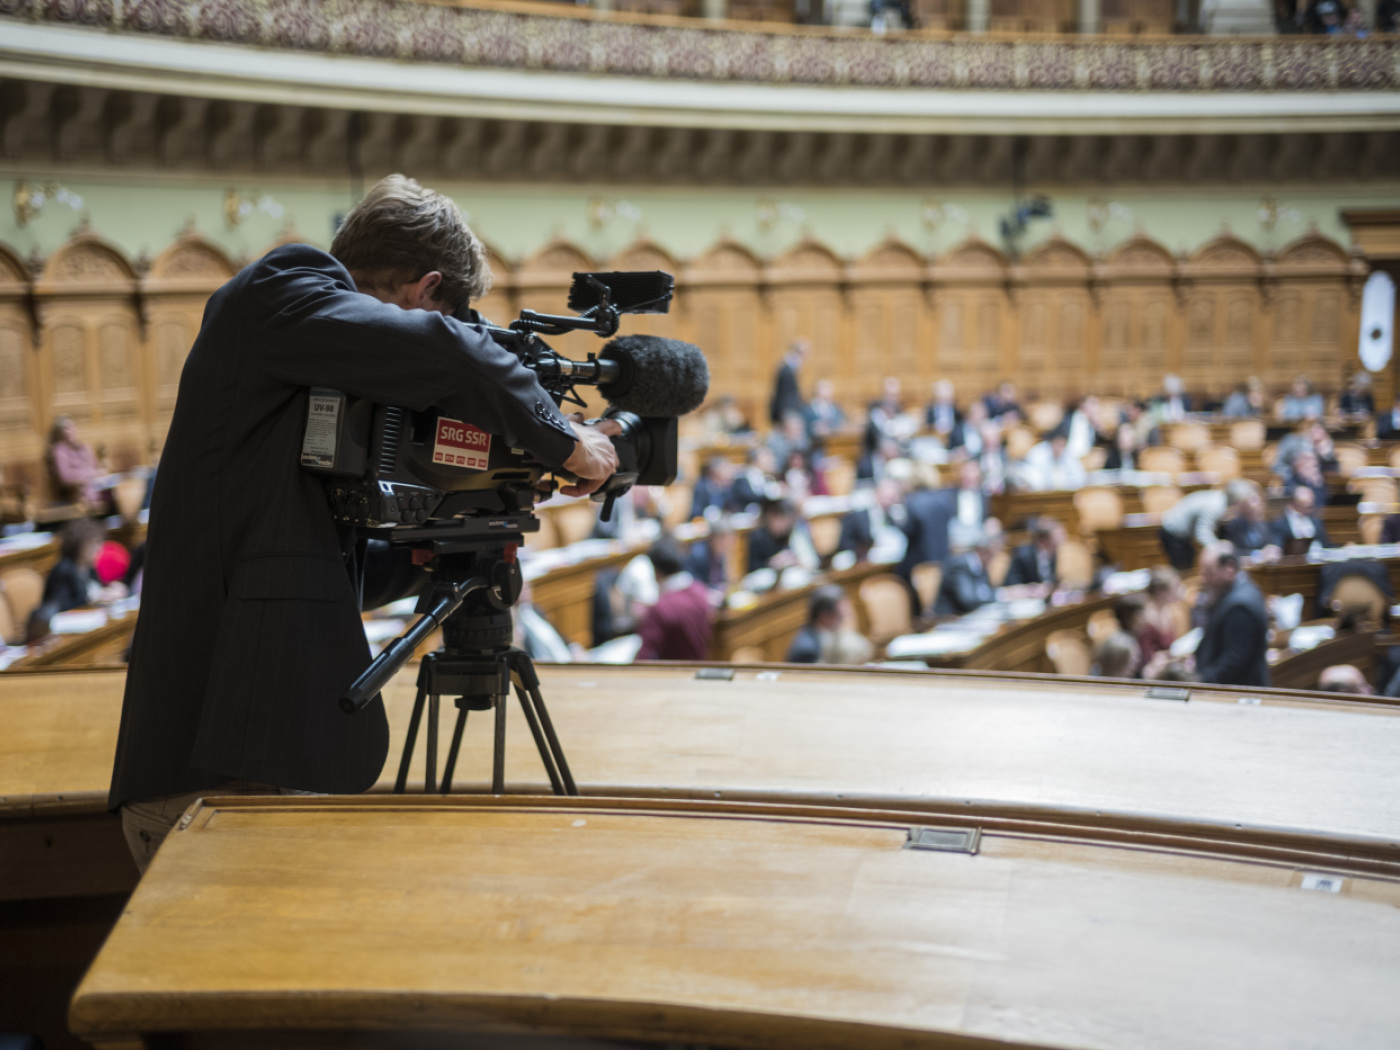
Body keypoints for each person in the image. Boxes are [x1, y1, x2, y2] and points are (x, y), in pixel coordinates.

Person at [109, 175, 623, 872]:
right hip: (213, 764)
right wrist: (569, 442)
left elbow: (309, 564)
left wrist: (431, 557)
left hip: (249, 752)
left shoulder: (304, 370)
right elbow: (450, 351)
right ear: (424, 288)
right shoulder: (283, 287)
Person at [1191, 542, 1270, 688]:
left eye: (1209, 572)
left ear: (1229, 568)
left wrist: (1200, 681)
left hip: (1238, 693)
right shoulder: (1242, 589)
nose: (1204, 579)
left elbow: (1234, 661)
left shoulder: (1239, 607)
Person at [636, 539, 713, 661]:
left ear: (656, 571)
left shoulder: (660, 609)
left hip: (671, 675)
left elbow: (644, 658)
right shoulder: (700, 590)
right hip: (697, 668)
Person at [1158, 479, 1259, 571]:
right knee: (1183, 567)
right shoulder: (1215, 507)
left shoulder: (1222, 500)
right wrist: (1219, 550)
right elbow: (1202, 533)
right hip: (1173, 532)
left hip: (1182, 533)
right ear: (1238, 501)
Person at [40, 519, 121, 616]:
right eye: (92, 545)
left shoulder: (89, 567)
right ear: (78, 546)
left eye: (99, 544)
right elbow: (63, 608)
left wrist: (108, 592)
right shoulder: (63, 570)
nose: (98, 550)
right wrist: (95, 599)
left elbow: (95, 590)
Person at [785, 584, 872, 665]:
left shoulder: (822, 632)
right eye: (840, 615)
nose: (845, 620)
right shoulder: (808, 651)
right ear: (824, 616)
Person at [836, 478, 907, 564]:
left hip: (887, 558)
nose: (889, 502)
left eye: (893, 498)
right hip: (861, 560)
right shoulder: (858, 516)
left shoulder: (893, 515)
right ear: (877, 494)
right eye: (887, 498)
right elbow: (844, 543)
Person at [933, 528, 999, 616]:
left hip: (969, 615)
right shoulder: (958, 566)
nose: (993, 558)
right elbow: (968, 601)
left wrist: (999, 594)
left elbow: (985, 590)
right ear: (981, 550)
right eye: (990, 553)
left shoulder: (982, 564)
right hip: (949, 618)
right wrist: (1000, 596)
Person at [46, 416, 105, 506]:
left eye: (72, 427)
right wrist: (88, 474)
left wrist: (96, 473)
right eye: (65, 429)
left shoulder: (85, 447)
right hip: (78, 495)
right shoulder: (60, 450)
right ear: (61, 433)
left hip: (95, 488)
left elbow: (94, 468)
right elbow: (66, 477)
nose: (69, 431)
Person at [1003, 517, 1064, 590]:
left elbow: (1050, 582)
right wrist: (1029, 589)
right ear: (1042, 541)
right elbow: (1010, 584)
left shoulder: (1053, 555)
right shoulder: (1023, 555)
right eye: (1054, 544)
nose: (1057, 547)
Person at [1018, 428, 1087, 491]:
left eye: (1063, 445)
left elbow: (1079, 477)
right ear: (1052, 442)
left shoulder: (1068, 454)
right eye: (1058, 444)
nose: (1060, 448)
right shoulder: (1038, 453)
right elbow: (1033, 478)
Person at [1270, 484, 1332, 550]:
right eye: (1305, 505)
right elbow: (1277, 547)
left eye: (1311, 504)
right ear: (1294, 503)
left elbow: (1326, 545)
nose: (1310, 508)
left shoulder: (1315, 520)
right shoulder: (1280, 522)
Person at [769, 338, 809, 426]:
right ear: (801, 353)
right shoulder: (787, 369)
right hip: (788, 410)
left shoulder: (790, 366)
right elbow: (783, 394)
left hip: (789, 409)